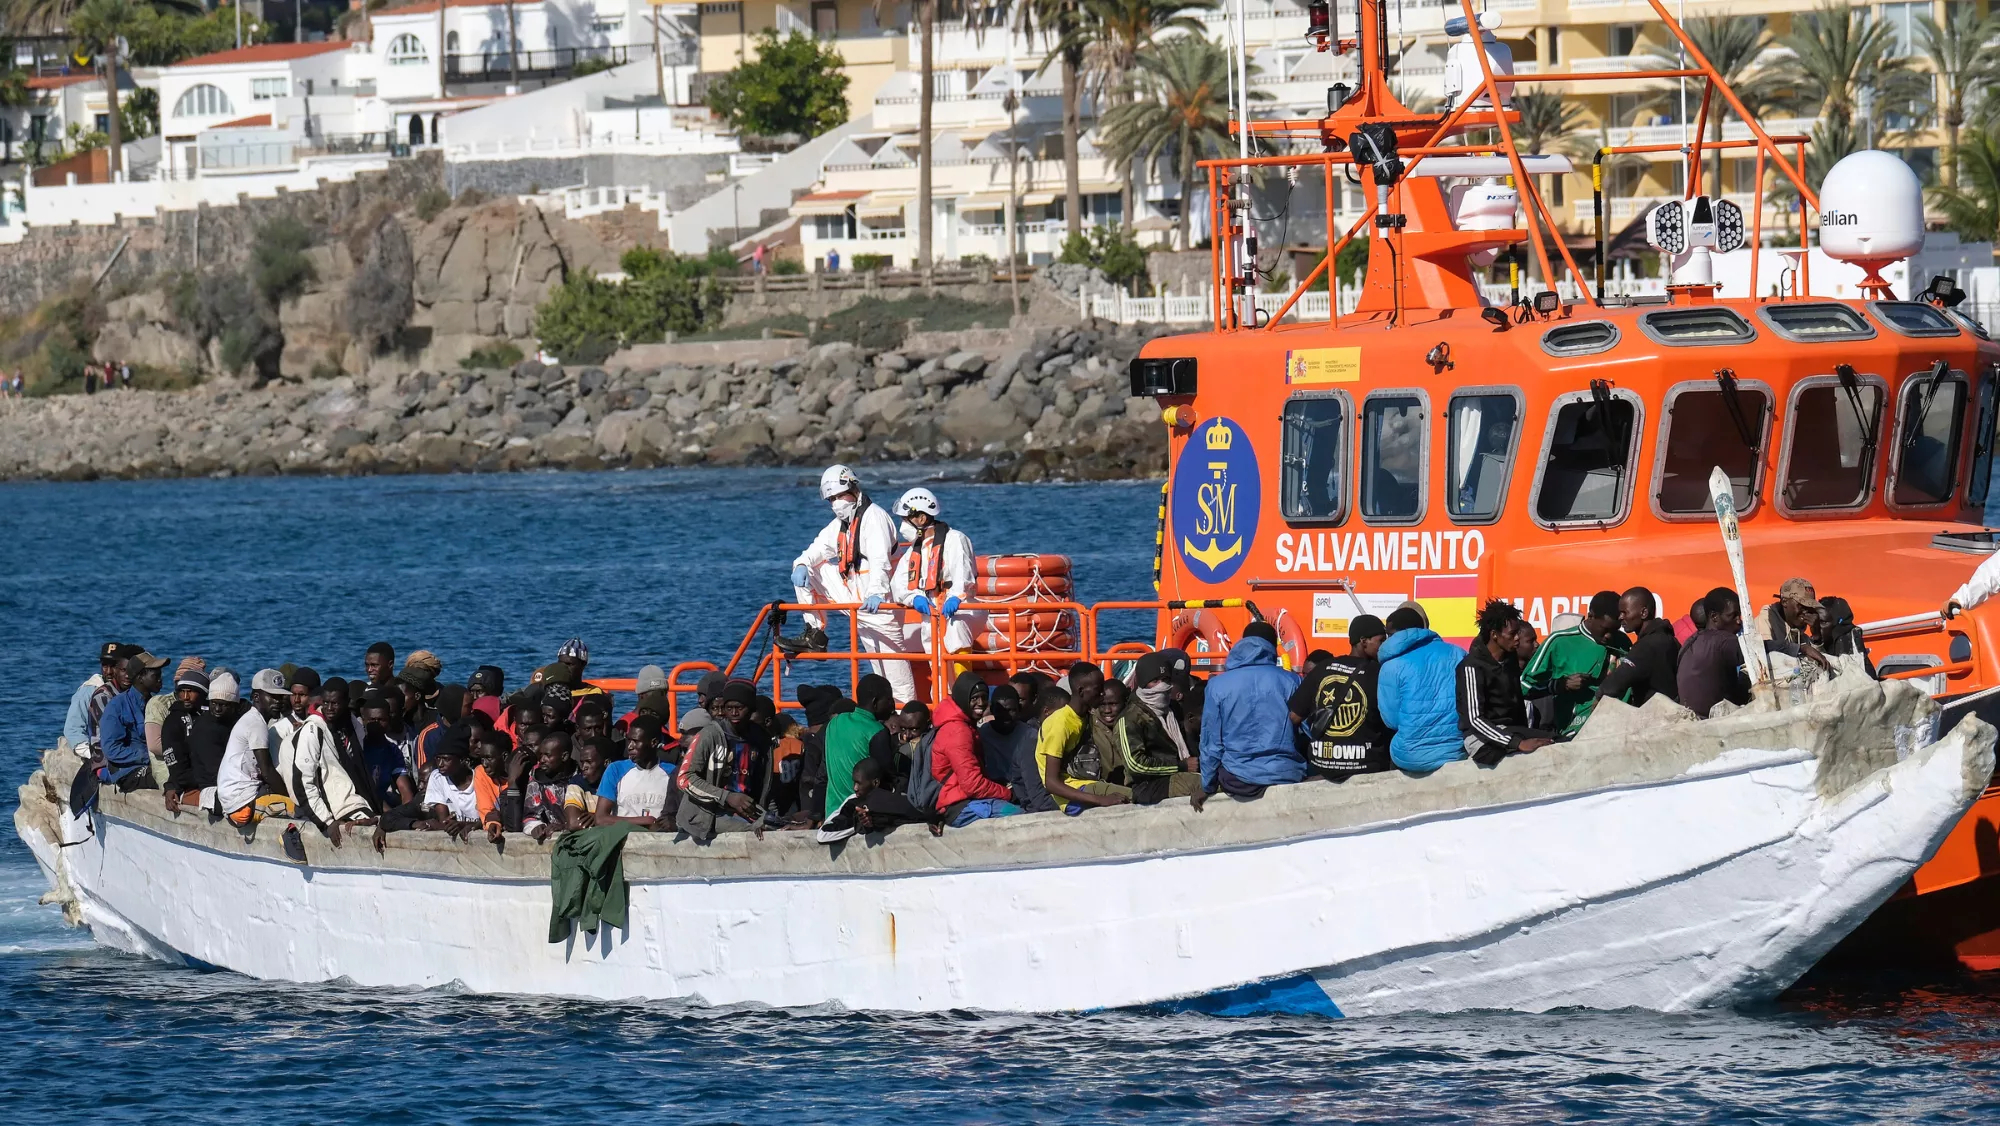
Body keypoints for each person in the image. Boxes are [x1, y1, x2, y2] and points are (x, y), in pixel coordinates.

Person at [780, 465, 914, 702]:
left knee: (893, 673)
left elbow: (881, 562)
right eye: (831, 499)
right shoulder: (842, 524)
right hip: (854, 595)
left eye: (839, 496)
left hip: (880, 606)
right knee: (808, 567)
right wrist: (801, 564)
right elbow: (819, 548)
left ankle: (907, 719)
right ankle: (815, 633)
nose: (836, 503)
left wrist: (876, 594)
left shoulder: (874, 519)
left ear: (853, 489)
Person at [1195, 625, 1304, 804]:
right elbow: (1306, 731)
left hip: (1238, 779)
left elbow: (1211, 743)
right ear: (1272, 647)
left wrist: (1207, 786)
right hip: (1286, 773)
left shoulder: (1217, 685)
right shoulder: (1292, 680)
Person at [1457, 600, 1558, 766]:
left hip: (1510, 731)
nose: (1517, 638)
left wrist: (1526, 735)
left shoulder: (1509, 660)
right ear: (1495, 635)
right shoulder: (1471, 667)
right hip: (1481, 739)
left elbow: (1517, 704)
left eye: (1518, 633)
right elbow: (1475, 720)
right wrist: (1517, 743)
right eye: (1512, 634)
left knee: (1556, 740)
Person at [1290, 615, 1392, 779]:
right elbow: (1392, 720)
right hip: (1366, 766)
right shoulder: (1378, 673)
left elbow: (1294, 717)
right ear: (1364, 641)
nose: (1384, 646)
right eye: (1380, 641)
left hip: (1322, 765)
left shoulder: (1322, 668)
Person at [1520, 590, 1629, 738]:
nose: (1609, 635)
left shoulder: (1623, 641)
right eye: (1605, 629)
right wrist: (1560, 685)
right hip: (1576, 736)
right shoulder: (1559, 642)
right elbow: (1524, 686)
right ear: (1590, 616)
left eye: (1615, 630)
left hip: (1619, 731)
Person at [279, 679, 376, 841]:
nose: (330, 708)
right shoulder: (312, 730)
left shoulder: (351, 724)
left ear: (346, 702)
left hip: (356, 799)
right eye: (326, 703)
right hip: (335, 807)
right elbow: (303, 783)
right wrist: (327, 821)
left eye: (335, 703)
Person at [889, 487, 979, 661]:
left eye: (906, 520)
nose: (902, 526)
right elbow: (897, 584)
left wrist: (955, 597)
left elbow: (963, 574)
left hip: (959, 609)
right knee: (935, 660)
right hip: (931, 611)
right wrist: (914, 597)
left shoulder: (955, 540)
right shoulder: (914, 550)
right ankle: (940, 689)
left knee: (956, 634)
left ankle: (964, 685)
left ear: (921, 518)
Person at [1377, 606, 1469, 773]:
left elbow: (1390, 720)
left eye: (1389, 634)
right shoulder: (1458, 653)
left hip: (1410, 755)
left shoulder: (1391, 666)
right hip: (1456, 750)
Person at [674, 693, 771, 842]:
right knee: (759, 831)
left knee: (775, 824)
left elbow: (765, 783)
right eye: (729, 708)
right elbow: (684, 778)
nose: (734, 713)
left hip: (746, 809)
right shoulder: (710, 735)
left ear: (751, 710)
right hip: (707, 815)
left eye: (739, 708)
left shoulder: (760, 738)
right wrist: (727, 797)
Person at [1039, 661, 1133, 811]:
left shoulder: (1083, 716)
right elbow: (1051, 783)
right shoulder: (1060, 723)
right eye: (1098, 689)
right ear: (1081, 691)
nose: (1103, 693)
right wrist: (1101, 800)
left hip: (1086, 782)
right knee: (1136, 797)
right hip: (1071, 794)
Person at [1092, 677, 1199, 805]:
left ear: (1125, 701)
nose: (1107, 710)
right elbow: (1136, 765)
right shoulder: (1092, 728)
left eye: (1113, 704)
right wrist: (1181, 766)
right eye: (1102, 704)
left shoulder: (1138, 722)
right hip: (1113, 790)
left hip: (1139, 786)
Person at [932, 671, 1019, 825]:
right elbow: (973, 784)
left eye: (984, 698)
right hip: (961, 805)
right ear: (963, 699)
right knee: (1023, 818)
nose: (980, 703)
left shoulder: (963, 724)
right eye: (974, 698)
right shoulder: (958, 730)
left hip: (961, 800)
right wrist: (1008, 794)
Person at [219, 670, 296, 825]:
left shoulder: (252, 719)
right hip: (241, 803)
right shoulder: (256, 723)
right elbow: (267, 771)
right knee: (298, 810)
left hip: (234, 798)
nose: (278, 702)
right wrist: (288, 797)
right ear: (255, 697)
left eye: (281, 697)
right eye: (272, 697)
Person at [823, 674, 901, 818]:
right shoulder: (877, 731)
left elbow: (823, 772)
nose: (893, 706)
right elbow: (888, 779)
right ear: (875, 702)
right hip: (860, 815)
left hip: (832, 812)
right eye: (889, 700)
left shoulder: (834, 723)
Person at [162, 665, 233, 812]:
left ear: (203, 693)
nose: (186, 697)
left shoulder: (216, 717)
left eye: (191, 691)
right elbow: (178, 773)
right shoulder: (172, 722)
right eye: (182, 691)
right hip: (191, 788)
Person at [1678, 587, 1755, 719]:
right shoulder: (1723, 641)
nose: (1738, 621)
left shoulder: (1689, 642)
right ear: (1714, 617)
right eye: (1733, 615)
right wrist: (1798, 648)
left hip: (1690, 719)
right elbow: (1757, 649)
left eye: (1739, 615)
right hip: (1712, 724)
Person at [1599, 586, 1681, 708]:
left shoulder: (1647, 645)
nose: (1620, 617)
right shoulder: (1668, 639)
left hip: (1655, 720)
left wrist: (1599, 696)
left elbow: (1614, 683)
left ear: (1643, 613)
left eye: (1624, 612)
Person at [96, 651, 166, 789]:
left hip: (153, 765)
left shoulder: (157, 704)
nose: (160, 680)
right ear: (140, 677)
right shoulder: (117, 706)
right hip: (127, 773)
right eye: (155, 676)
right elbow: (111, 749)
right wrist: (147, 757)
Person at [982, 683, 1052, 812]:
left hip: (1023, 792)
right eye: (1000, 711)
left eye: (1011, 710)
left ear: (1019, 709)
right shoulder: (982, 735)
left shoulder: (1030, 735)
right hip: (995, 791)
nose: (1005, 717)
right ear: (992, 710)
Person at [600, 714, 678, 828]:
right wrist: (645, 821)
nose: (630, 746)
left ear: (654, 743)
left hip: (660, 841)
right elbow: (601, 818)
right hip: (624, 839)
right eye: (629, 740)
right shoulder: (615, 770)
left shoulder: (672, 773)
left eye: (636, 741)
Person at [63, 641, 127, 758]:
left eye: (113, 666)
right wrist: (94, 755)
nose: (108, 671)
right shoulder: (87, 692)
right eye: (105, 665)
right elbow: (73, 731)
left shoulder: (129, 690)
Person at [1766, 577, 1833, 672]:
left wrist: (1816, 636)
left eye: (1810, 607)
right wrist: (1801, 648)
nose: (1806, 612)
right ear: (1784, 602)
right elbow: (1764, 648)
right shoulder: (1767, 620)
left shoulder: (1799, 632)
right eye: (1802, 606)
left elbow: (1821, 664)